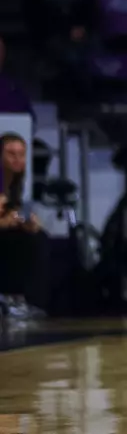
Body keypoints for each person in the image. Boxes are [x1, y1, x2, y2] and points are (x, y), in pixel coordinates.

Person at [23, 0, 95, 110]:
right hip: (49, 37)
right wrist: (65, 30)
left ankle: (86, 105)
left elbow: (92, 13)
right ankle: (73, 106)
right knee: (69, 58)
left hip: (81, 36)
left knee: (89, 54)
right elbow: (34, 18)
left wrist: (83, 28)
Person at [0, 132, 45, 320]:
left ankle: (19, 298)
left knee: (37, 237)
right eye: (11, 154)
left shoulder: (15, 183)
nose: (17, 159)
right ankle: (9, 297)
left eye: (21, 154)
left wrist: (29, 223)